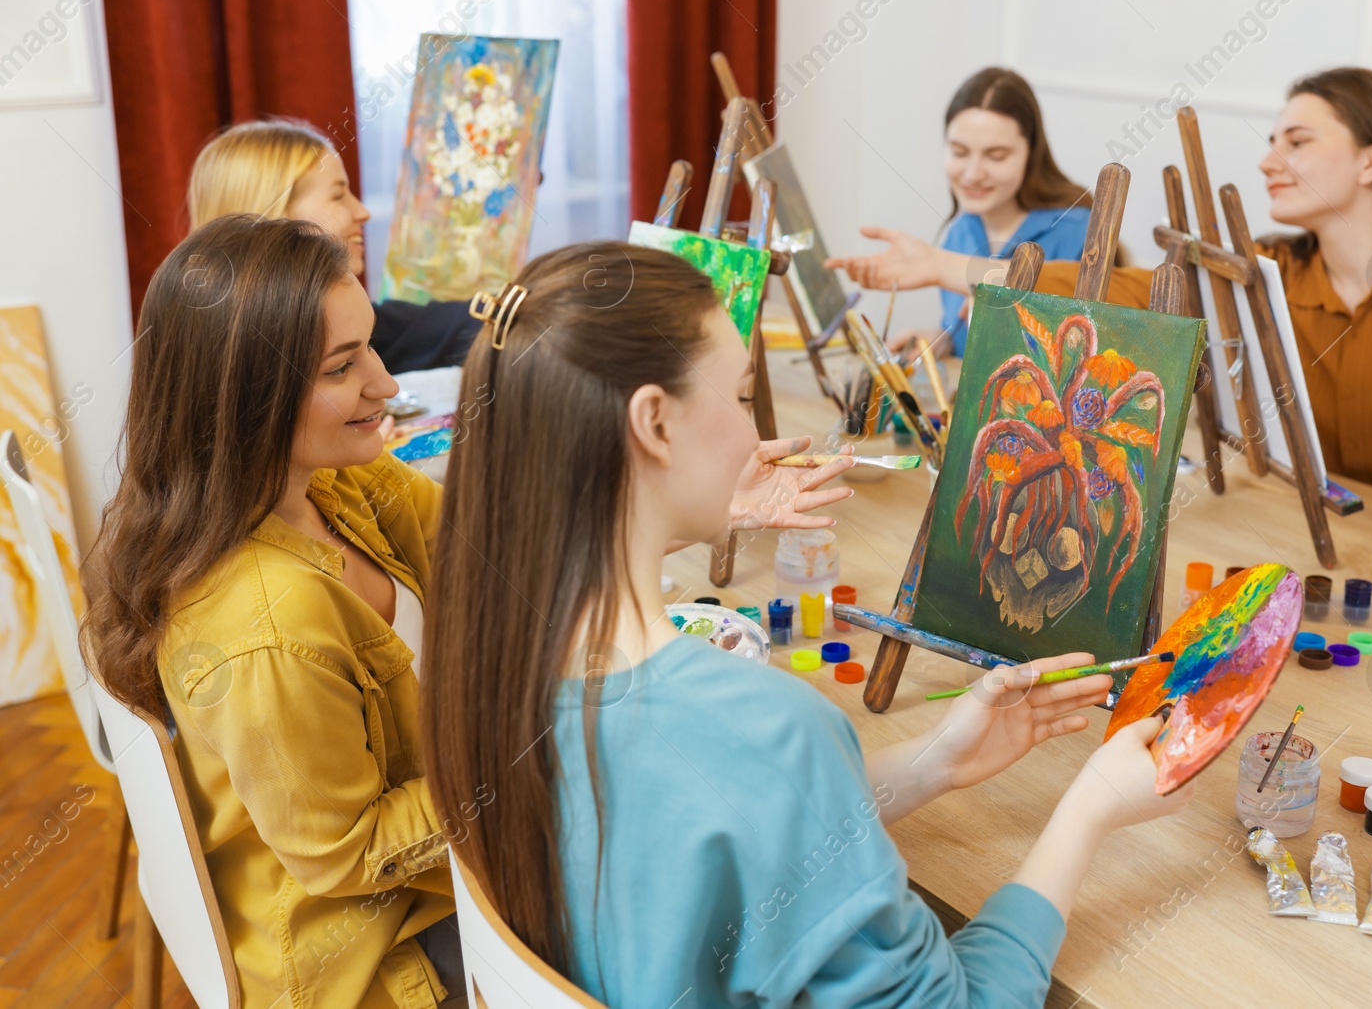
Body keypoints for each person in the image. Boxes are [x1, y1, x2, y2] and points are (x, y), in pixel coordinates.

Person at [81, 218, 852, 1006]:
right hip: (383, 959)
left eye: (371, 346)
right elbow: (348, 858)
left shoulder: (335, 487)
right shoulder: (267, 628)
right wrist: (530, 747)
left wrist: (690, 491)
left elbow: (500, 534)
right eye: (344, 368)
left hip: (440, 882)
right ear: (245, 401)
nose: (387, 385)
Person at [421, 241, 1192, 1007]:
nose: (757, 435)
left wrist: (936, 762)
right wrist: (1089, 807)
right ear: (654, 422)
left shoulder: (480, 650)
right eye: (739, 393)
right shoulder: (768, 728)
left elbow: (735, 837)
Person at [834, 67, 1372, 552]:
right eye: (1270, 139)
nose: (1268, 158)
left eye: (1297, 140)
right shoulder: (1264, 278)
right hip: (1366, 558)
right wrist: (950, 266)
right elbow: (1118, 291)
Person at [828, 67, 1112, 357]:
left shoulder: (1078, 233)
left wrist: (935, 264)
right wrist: (941, 340)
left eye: (996, 156)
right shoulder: (962, 232)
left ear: (1031, 152)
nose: (973, 173)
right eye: (960, 152)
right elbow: (971, 343)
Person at [187, 118, 480, 373]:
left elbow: (442, 327)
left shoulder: (338, 319)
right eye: (338, 196)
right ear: (274, 216)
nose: (363, 212)